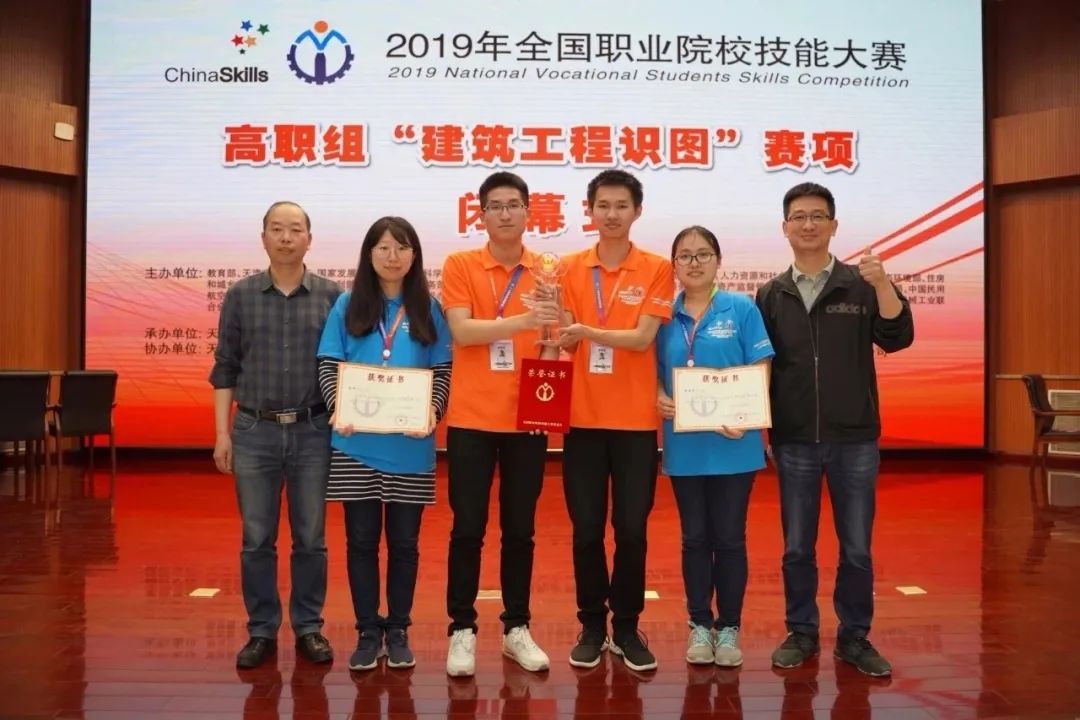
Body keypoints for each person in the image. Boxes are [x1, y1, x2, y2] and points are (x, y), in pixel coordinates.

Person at [755, 182, 914, 677]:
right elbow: (760, 366)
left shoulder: (862, 284)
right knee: (797, 546)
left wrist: (884, 284)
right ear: (784, 227)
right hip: (795, 437)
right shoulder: (771, 293)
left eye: (818, 216)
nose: (808, 224)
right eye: (799, 216)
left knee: (857, 547)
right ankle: (801, 632)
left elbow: (898, 336)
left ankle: (854, 637)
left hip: (855, 438)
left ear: (833, 225)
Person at [315, 216, 452, 671]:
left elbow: (442, 370)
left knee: (405, 544)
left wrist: (433, 412)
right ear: (369, 254)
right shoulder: (347, 305)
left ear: (414, 255)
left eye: (402, 247)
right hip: (355, 445)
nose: (393, 256)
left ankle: (398, 630)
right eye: (384, 247)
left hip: (411, 448)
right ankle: (367, 631)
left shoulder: (428, 308)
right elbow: (329, 362)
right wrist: (339, 407)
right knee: (360, 542)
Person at [210, 200, 342, 669]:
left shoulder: (332, 297)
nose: (286, 238)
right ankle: (262, 630)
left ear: (310, 238)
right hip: (253, 430)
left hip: (313, 430)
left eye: (295, 229)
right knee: (256, 538)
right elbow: (225, 367)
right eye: (277, 229)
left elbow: (343, 366)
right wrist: (222, 434)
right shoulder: (240, 295)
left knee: (311, 537)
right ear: (263, 236)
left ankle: (309, 627)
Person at [440, 171, 562, 677]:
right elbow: (462, 330)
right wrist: (523, 323)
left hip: (528, 417)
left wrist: (549, 356)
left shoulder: (549, 270)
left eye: (514, 204)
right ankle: (462, 629)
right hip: (472, 417)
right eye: (496, 206)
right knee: (467, 527)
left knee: (520, 530)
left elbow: (554, 340)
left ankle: (516, 628)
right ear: (482, 214)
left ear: (529, 211)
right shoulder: (460, 264)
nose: (506, 214)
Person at [555, 169, 674, 672]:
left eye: (621, 205)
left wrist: (586, 330)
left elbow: (644, 338)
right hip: (581, 420)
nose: (611, 214)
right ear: (589, 210)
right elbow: (560, 337)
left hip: (635, 423)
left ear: (637, 211)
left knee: (631, 530)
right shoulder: (565, 268)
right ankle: (590, 625)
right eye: (602, 205)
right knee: (586, 530)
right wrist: (566, 330)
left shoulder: (657, 268)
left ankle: (626, 626)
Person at [655, 226, 775, 668]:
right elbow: (650, 370)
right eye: (685, 255)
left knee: (728, 538)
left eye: (703, 254)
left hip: (735, 446)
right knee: (694, 538)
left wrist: (747, 413)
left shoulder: (741, 308)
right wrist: (657, 397)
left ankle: (729, 628)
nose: (694, 262)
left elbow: (761, 363)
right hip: (684, 446)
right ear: (674, 265)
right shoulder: (663, 315)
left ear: (718, 261)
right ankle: (699, 625)